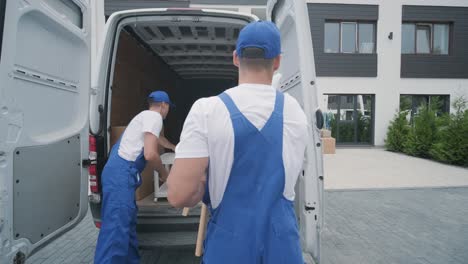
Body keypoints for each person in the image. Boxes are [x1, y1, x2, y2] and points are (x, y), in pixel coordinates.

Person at [167, 21, 308, 264]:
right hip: (283, 246)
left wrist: (203, 186)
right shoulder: (295, 111)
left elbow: (179, 196)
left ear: (235, 58)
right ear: (277, 62)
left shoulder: (206, 110)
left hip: (230, 247)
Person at [94, 91, 175, 264]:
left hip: (120, 174)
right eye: (168, 108)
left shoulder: (144, 117)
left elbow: (159, 140)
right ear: (163, 105)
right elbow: (151, 154)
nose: (168, 112)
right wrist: (164, 174)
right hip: (120, 175)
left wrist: (175, 148)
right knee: (116, 231)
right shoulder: (155, 117)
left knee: (127, 227)